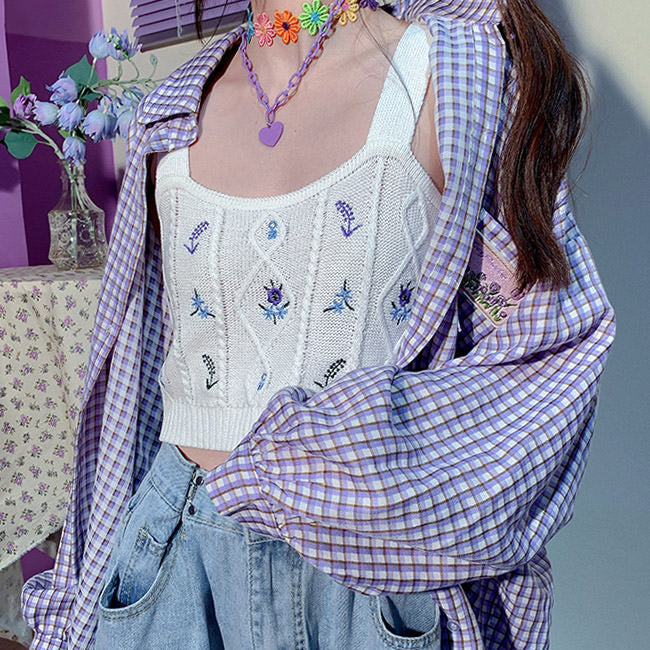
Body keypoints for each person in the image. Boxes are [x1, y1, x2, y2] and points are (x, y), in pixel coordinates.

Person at [22, 0, 615, 647]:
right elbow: (127, 392)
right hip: (174, 557)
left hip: (365, 574)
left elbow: (548, 355)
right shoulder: (168, 115)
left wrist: (322, 463)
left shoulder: (449, 77)